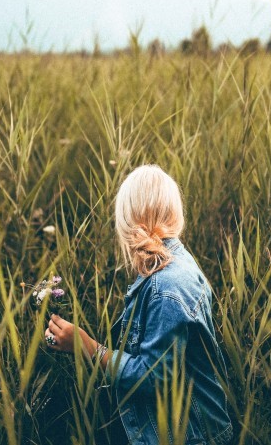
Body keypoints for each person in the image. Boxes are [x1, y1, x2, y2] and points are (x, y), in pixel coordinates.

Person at [45, 164, 234, 444]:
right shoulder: (179, 265)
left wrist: (84, 344)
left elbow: (152, 379)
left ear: (127, 224)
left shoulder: (165, 287)